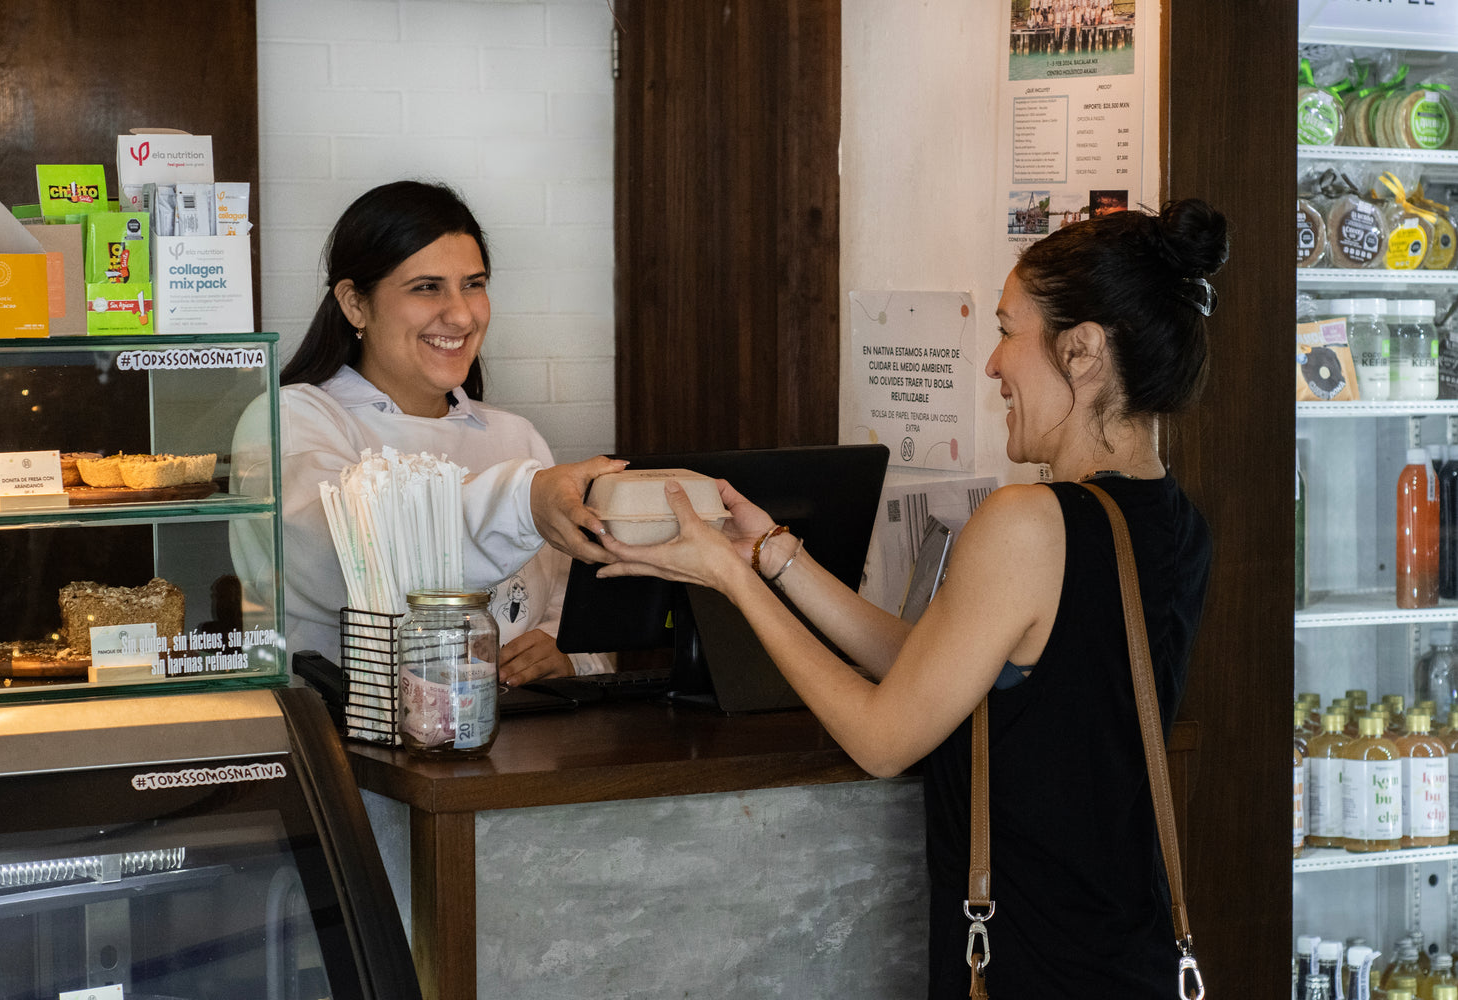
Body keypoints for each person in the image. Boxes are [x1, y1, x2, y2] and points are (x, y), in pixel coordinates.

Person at [596, 199, 1228, 998]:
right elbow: (940, 667)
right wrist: (772, 557)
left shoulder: (1030, 522)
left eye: (1007, 331)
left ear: (1082, 350)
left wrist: (729, 582)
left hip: (1033, 969)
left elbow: (883, 739)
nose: (992, 365)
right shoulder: (1176, 523)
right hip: (1126, 961)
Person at [232, 179, 619, 683]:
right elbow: (349, 556)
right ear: (354, 304)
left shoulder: (517, 437)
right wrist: (524, 501)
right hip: (346, 728)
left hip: (520, 727)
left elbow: (575, 611)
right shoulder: (290, 420)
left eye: (473, 284)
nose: (460, 315)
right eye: (426, 287)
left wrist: (568, 654)